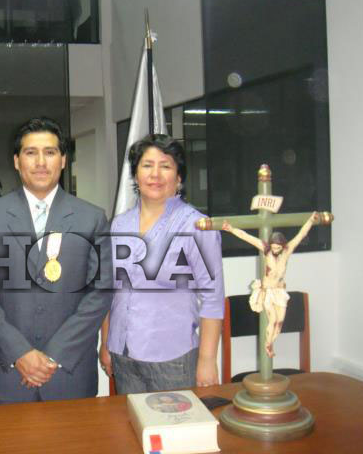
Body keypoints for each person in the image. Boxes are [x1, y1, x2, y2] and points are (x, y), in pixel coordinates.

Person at [0, 117, 113, 405]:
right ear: (16, 161)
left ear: (63, 160)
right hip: (7, 375)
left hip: (68, 374)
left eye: (49, 152)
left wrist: (54, 355)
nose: (40, 162)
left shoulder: (91, 218)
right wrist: (19, 353)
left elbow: (100, 293)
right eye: (30, 152)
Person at [100, 135, 225, 394]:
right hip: (123, 354)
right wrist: (106, 342)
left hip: (172, 360)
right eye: (147, 165)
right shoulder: (119, 224)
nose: (155, 174)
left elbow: (212, 298)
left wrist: (207, 360)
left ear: (179, 178)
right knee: (131, 419)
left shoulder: (196, 226)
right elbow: (110, 289)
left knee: (175, 420)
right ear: (136, 175)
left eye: (165, 166)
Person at [221, 212, 318, 357]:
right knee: (272, 320)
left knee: (279, 322)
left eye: (278, 248)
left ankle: (270, 342)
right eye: (273, 247)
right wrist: (231, 229)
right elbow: (247, 237)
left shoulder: (286, 252)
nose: (275, 250)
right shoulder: (267, 252)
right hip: (268, 292)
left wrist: (310, 220)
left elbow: (300, 235)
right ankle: (268, 345)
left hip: (279, 291)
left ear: (282, 246)